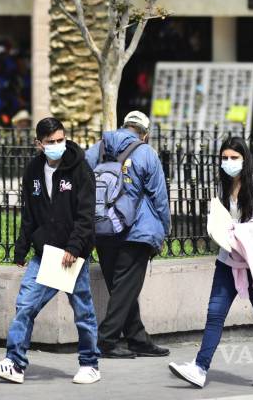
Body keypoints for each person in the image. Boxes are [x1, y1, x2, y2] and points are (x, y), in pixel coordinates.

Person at [0, 117, 101, 384]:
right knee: (25, 305)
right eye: (50, 142)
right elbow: (29, 214)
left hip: (72, 255)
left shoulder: (80, 168)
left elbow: (86, 214)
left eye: (60, 140)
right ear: (39, 144)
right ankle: (14, 363)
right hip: (44, 253)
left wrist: (74, 247)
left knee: (83, 311)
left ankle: (90, 364)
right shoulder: (33, 170)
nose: (57, 145)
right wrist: (21, 249)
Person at [168, 136, 253, 388]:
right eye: (224, 158)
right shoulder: (223, 185)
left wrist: (243, 231)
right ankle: (200, 368)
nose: (229, 162)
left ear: (245, 159)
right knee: (215, 313)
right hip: (228, 260)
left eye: (234, 158)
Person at [85, 111, 171, 359]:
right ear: (145, 134)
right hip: (137, 231)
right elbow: (159, 197)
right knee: (125, 288)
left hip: (104, 228)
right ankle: (106, 340)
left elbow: (81, 182)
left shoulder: (98, 149)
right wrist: (164, 229)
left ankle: (137, 339)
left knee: (122, 288)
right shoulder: (146, 153)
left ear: (124, 126)